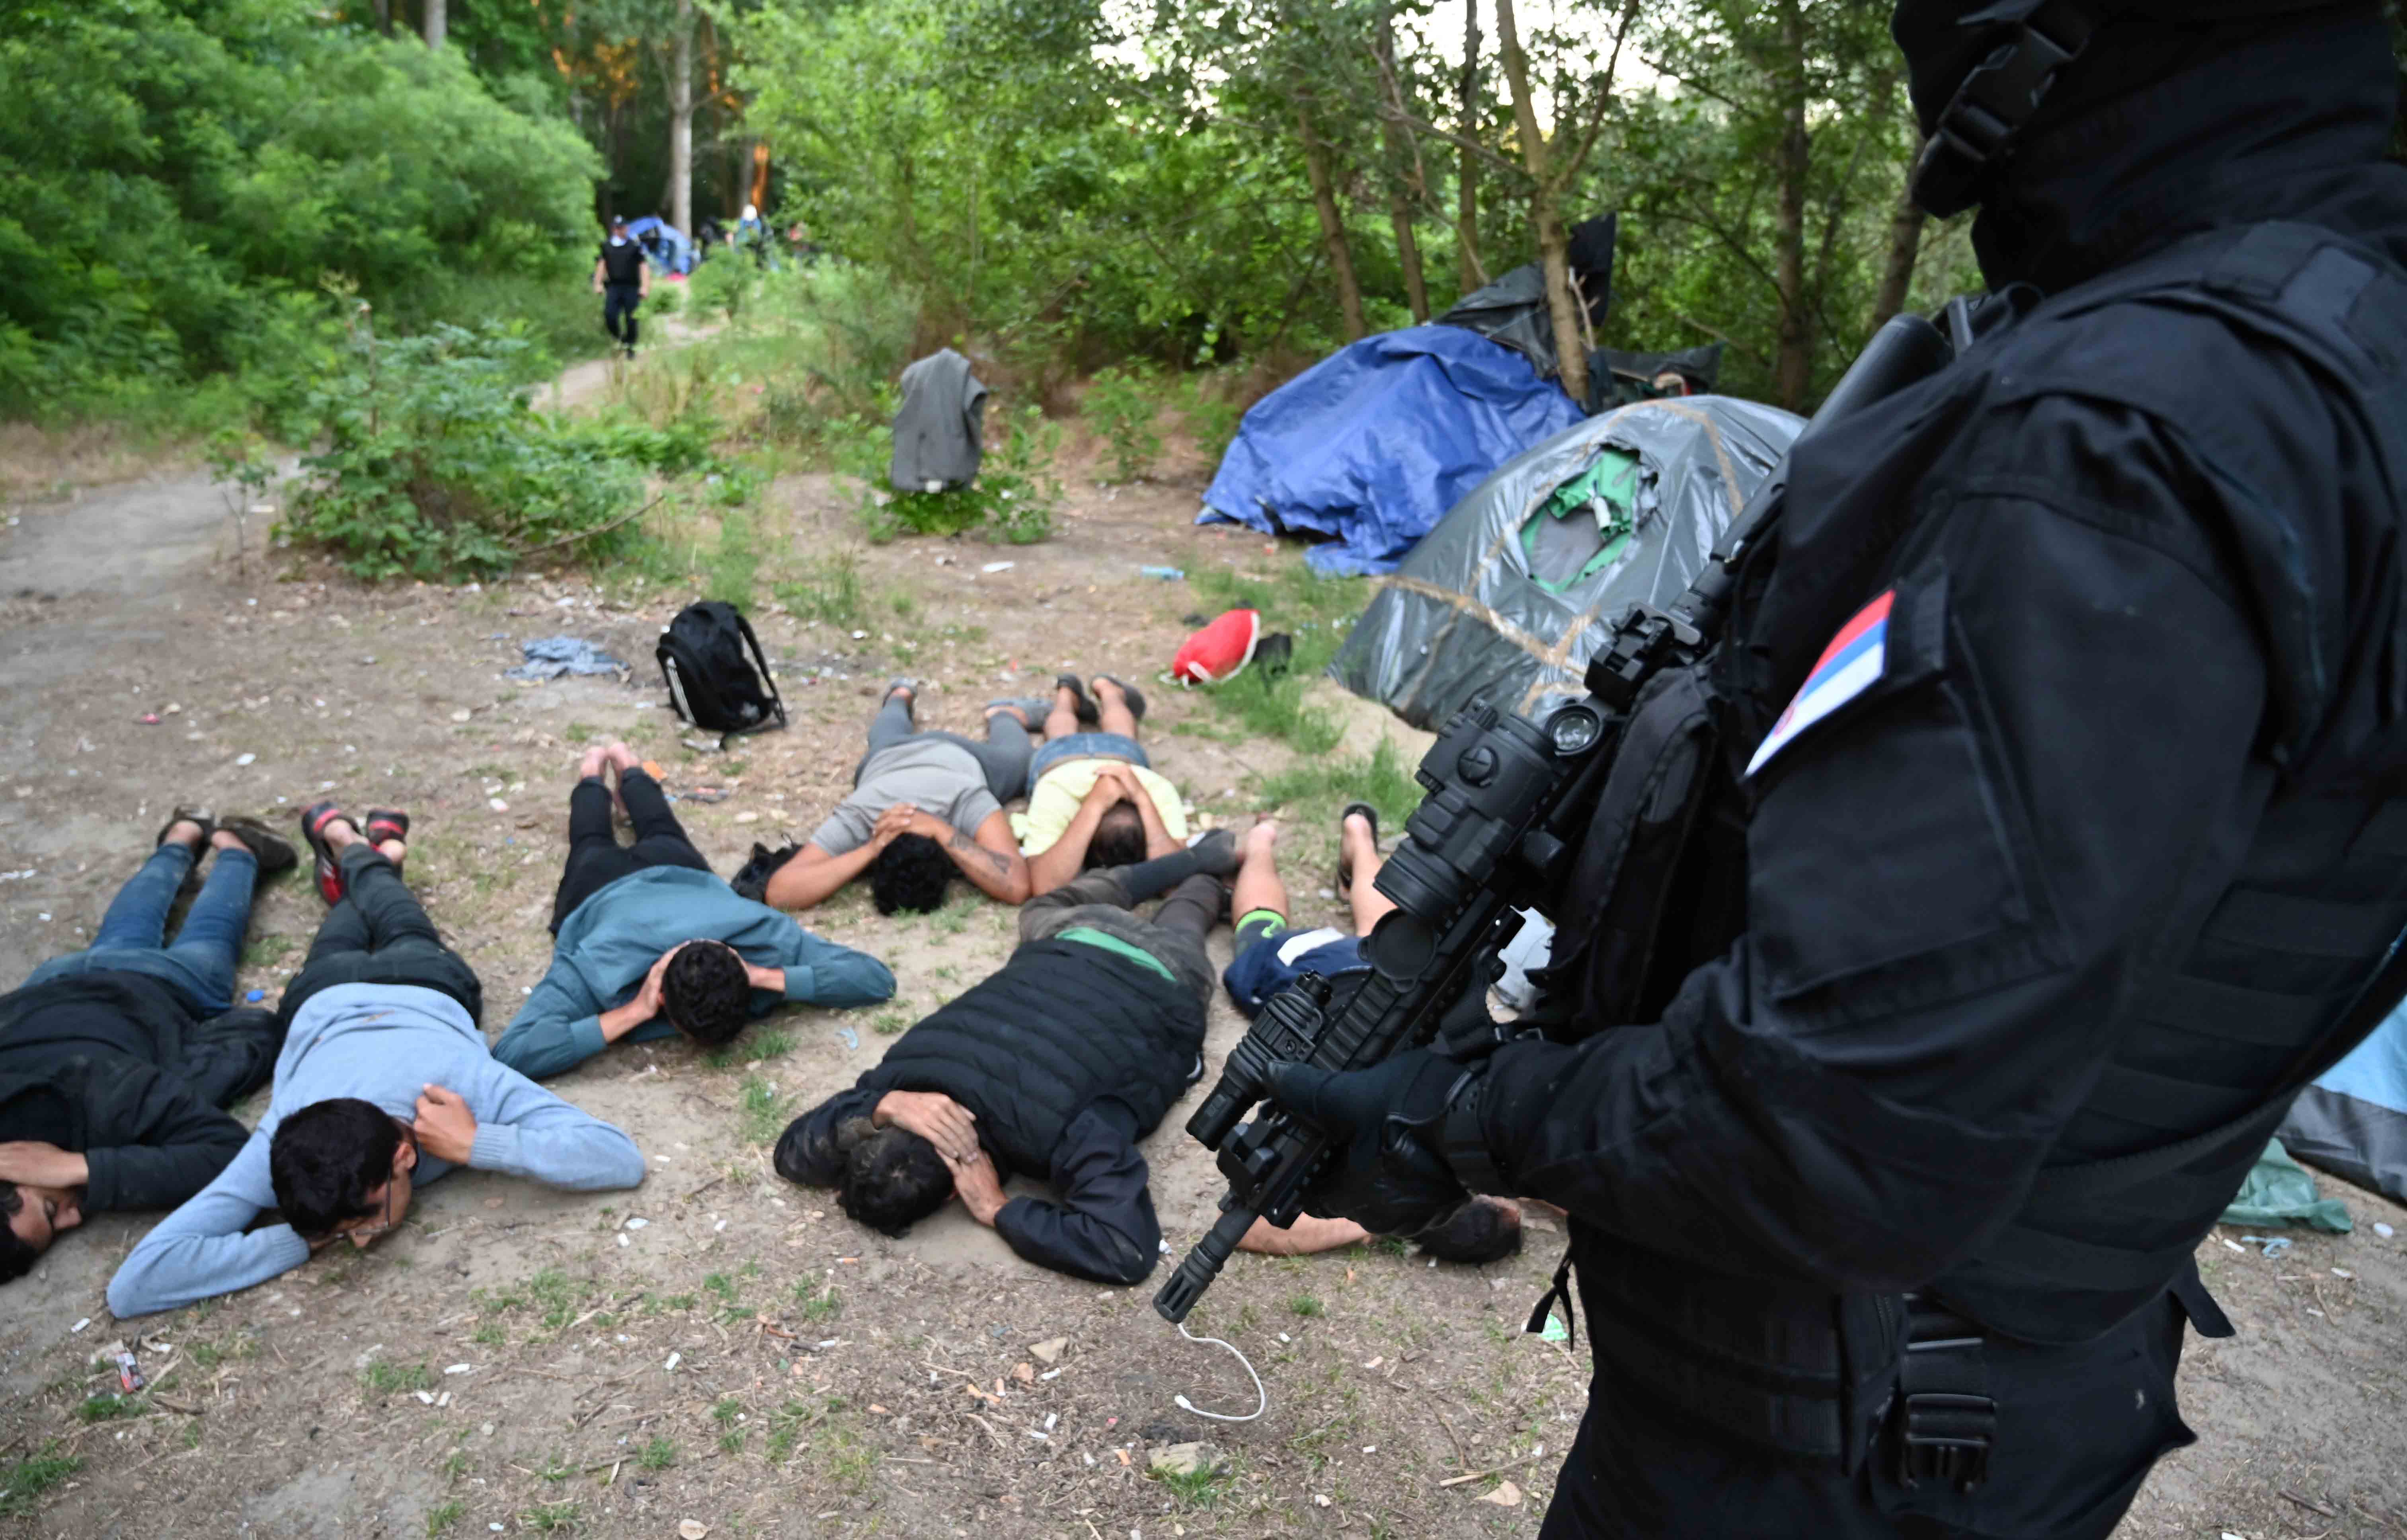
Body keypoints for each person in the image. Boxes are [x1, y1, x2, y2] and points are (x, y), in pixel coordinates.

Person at [1258, 5, 2407, 1537]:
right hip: (1984, 1369)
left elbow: (1836, 1120)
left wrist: (1467, 1111)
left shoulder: (2118, 427)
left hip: (1841, 1423)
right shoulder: (2321, 342)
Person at [107, 807, 644, 1316]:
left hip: (420, 979)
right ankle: (366, 851)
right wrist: (302, 1236)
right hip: (332, 989)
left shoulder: (459, 1088)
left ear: (405, 1155)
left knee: (382, 907)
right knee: (372, 908)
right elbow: (134, 1286)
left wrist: (478, 1143)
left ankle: (355, 846)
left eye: (362, 1219)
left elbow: (620, 1158)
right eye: (347, 1232)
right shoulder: (287, 1142)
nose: (362, 1242)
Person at [772, 834, 1245, 1284]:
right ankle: (1196, 861)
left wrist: (1000, 1210)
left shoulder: (1062, 1137)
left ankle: (1203, 884)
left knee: (1184, 920)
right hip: (1072, 938)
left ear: (958, 1190)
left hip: (1167, 975)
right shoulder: (898, 1075)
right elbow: (793, 1152)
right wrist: (885, 1104)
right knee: (1046, 906)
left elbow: (1126, 1249)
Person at [0, 811, 296, 1282]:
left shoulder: (98, 1099)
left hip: (156, 987)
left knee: (212, 930)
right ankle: (183, 835)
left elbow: (226, 1153)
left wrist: (81, 1167)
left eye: (53, 1209)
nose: (75, 1218)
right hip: (53, 984)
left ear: (15, 1170)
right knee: (129, 922)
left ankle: (238, 849)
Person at [1219, 811, 1523, 1267]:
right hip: (1326, 987)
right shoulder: (1398, 1172)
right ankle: (1262, 843)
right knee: (1259, 932)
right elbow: (1255, 1229)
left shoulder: (1467, 1129)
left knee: (1378, 933)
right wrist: (1369, 1224)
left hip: (1388, 989)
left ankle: (1354, 840)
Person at [490, 743, 897, 1080]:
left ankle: (606, 767)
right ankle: (609, 769)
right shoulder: (601, 967)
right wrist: (635, 1011)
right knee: (604, 837)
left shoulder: (764, 935)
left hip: (670, 873)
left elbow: (877, 980)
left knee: (637, 832)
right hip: (610, 885)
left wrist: (758, 975)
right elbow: (512, 1054)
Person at [763, 682, 1034, 913]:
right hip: (909, 756)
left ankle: (996, 713)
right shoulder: (865, 813)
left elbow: (780, 893)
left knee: (1020, 757)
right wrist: (879, 846)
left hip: (923, 755)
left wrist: (873, 848)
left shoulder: (866, 813)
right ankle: (908, 697)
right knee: (884, 733)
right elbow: (1016, 885)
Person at [1020, 674, 1191, 896]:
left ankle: (1079, 694)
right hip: (1107, 759)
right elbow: (1173, 883)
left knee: (1117, 734)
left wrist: (1096, 803)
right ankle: (1097, 693)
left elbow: (1045, 885)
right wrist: (1142, 798)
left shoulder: (1055, 793)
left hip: (1082, 759)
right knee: (1080, 734)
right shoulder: (1157, 790)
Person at [591, 215, 650, 359]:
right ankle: (621, 340)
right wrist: (598, 284)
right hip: (614, 287)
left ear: (627, 228)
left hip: (631, 287)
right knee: (610, 315)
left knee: (632, 319)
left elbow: (643, 267)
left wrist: (645, 287)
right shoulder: (607, 246)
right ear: (614, 229)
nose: (620, 230)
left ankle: (631, 348)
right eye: (618, 228)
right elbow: (602, 265)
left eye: (623, 227)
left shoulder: (634, 247)